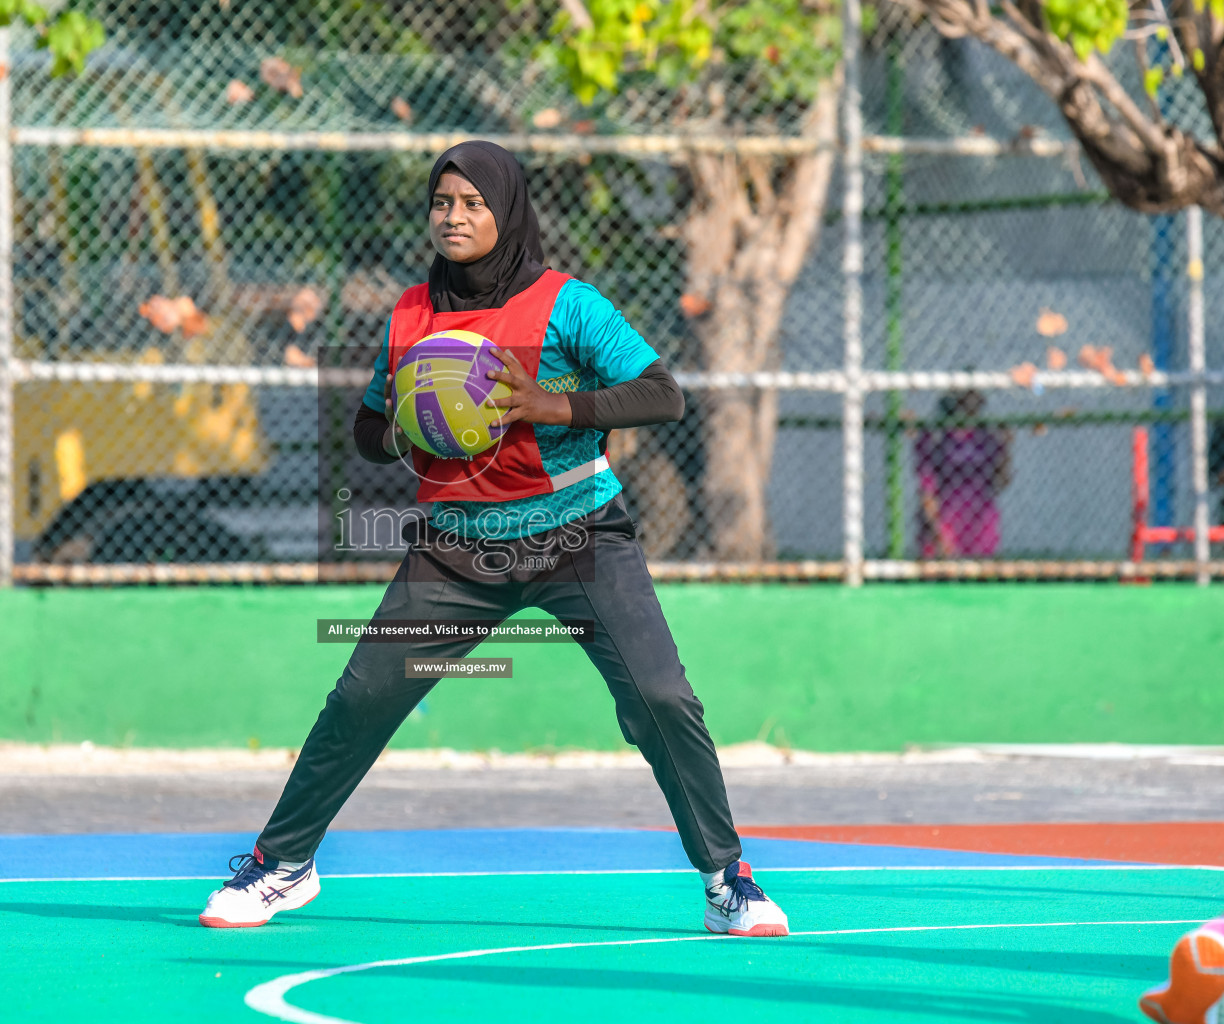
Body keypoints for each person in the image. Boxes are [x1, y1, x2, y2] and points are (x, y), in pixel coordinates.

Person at [198, 142, 788, 937]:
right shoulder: (412, 312)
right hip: (456, 548)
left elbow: (663, 395)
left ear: (506, 211)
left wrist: (553, 407)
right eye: (442, 202)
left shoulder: (566, 303)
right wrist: (408, 421)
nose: (454, 217)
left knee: (660, 697)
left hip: (577, 534)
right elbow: (370, 430)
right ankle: (283, 863)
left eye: (473, 203)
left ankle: (728, 880)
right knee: (361, 699)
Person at [915, 389, 1012, 558]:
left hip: (981, 528)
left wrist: (1005, 449)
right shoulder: (936, 437)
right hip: (946, 524)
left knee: (981, 578)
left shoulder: (986, 437)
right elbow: (927, 492)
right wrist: (940, 537)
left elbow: (1002, 482)